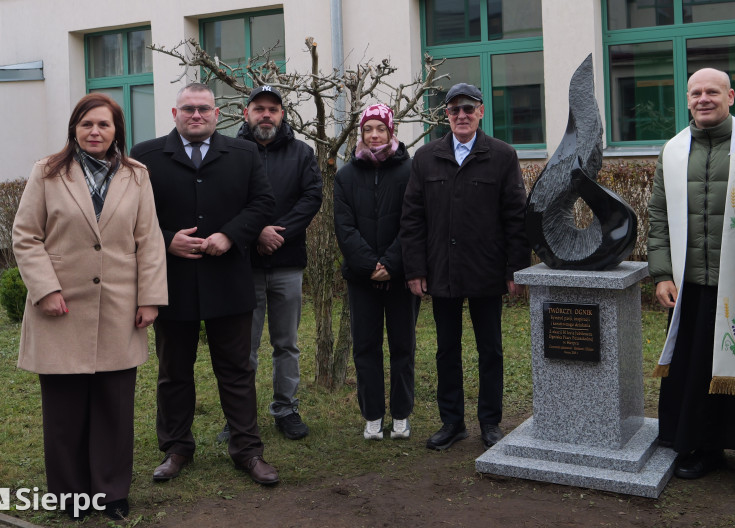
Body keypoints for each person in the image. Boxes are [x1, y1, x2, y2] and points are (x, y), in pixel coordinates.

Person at [13, 93, 167, 520]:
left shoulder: (137, 175)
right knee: (64, 412)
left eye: (104, 124)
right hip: (59, 306)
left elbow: (150, 240)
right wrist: (45, 289)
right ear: (74, 129)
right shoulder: (47, 172)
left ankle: (111, 493)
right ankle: (70, 496)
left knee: (114, 409)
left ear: (117, 129)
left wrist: (150, 298)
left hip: (120, 305)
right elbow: (26, 236)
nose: (95, 132)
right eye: (86, 125)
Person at [648, 69, 735, 498]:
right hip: (691, 285)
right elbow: (658, 218)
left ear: (730, 96)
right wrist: (660, 273)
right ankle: (705, 448)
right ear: (687, 100)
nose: (704, 98)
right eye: (696, 93)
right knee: (695, 372)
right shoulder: (673, 151)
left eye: (713, 91)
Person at [131, 82, 280, 486]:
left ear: (217, 115)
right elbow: (128, 216)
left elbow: (263, 204)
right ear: (174, 114)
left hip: (227, 279)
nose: (196, 115)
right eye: (188, 109)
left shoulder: (244, 153)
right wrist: (166, 240)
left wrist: (230, 235)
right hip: (172, 283)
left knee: (236, 370)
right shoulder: (144, 157)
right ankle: (176, 448)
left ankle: (247, 450)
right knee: (174, 371)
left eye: (203, 109)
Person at [401, 82, 529, 451]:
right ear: (446, 115)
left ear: (481, 112)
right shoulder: (426, 158)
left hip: (488, 271)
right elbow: (412, 219)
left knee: (491, 350)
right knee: (446, 350)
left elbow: (515, 217)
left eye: (468, 109)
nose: (461, 116)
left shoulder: (502, 156)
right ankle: (452, 422)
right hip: (442, 272)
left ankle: (490, 422)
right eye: (455, 109)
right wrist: (414, 269)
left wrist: (514, 269)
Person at [217, 85, 322, 442]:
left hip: (287, 262)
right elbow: (224, 202)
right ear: (246, 113)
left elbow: (312, 198)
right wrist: (255, 232)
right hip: (241, 264)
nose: (266, 114)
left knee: (286, 343)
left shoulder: (301, 152)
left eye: (272, 109)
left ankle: (286, 409)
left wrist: (279, 233)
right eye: (259, 108)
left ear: (282, 114)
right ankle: (238, 417)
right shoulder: (229, 153)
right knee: (242, 345)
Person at [334, 103, 418, 440]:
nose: (373, 135)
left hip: (400, 278)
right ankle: (372, 416)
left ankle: (401, 415)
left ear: (391, 131)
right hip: (361, 278)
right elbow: (344, 226)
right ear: (361, 134)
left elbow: (412, 222)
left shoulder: (409, 172)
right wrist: (370, 265)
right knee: (365, 347)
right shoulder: (345, 175)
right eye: (368, 129)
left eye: (379, 128)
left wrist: (392, 264)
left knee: (403, 346)